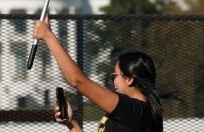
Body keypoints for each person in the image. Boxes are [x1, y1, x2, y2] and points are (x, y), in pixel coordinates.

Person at [33, 15, 163, 132]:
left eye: (115, 76)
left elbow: (78, 81)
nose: (113, 81)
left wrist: (48, 36)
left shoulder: (134, 111)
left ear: (129, 79)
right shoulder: (129, 112)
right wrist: (71, 123)